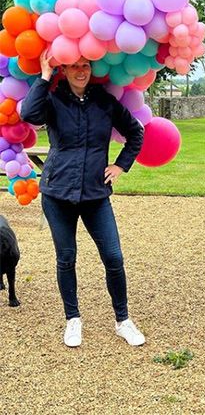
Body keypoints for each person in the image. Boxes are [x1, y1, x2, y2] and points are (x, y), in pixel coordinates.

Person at [21, 52, 145, 348]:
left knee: (113, 257)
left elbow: (135, 133)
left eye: (85, 65)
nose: (80, 71)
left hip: (95, 195)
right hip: (57, 193)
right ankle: (72, 319)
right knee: (66, 258)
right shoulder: (52, 100)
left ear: (92, 69)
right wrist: (45, 74)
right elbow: (28, 115)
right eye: (74, 66)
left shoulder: (104, 102)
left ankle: (123, 320)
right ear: (64, 69)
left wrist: (120, 165)